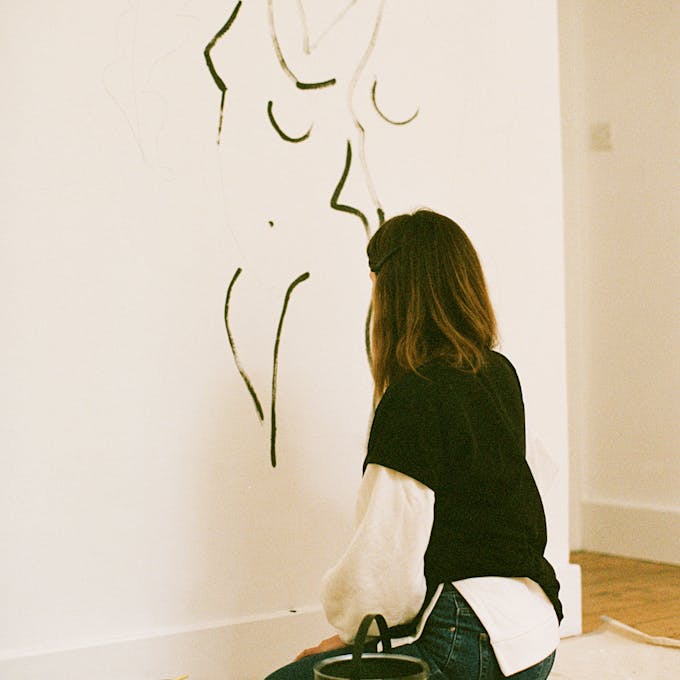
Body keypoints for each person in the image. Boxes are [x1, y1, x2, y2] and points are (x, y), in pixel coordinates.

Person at [265, 210, 562, 679]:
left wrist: (345, 637)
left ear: (395, 294)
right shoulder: (498, 373)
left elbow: (383, 562)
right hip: (536, 637)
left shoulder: (415, 395)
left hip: (472, 642)